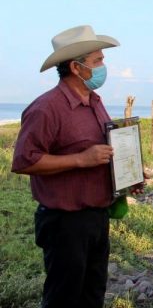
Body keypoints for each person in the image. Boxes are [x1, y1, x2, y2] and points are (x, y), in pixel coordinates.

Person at [11, 25, 120, 308]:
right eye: (97, 61)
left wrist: (126, 174)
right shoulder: (47, 108)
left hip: (97, 216)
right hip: (64, 223)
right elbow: (25, 160)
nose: (103, 66)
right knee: (64, 298)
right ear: (76, 66)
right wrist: (79, 160)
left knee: (92, 294)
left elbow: (103, 152)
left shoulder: (95, 102)